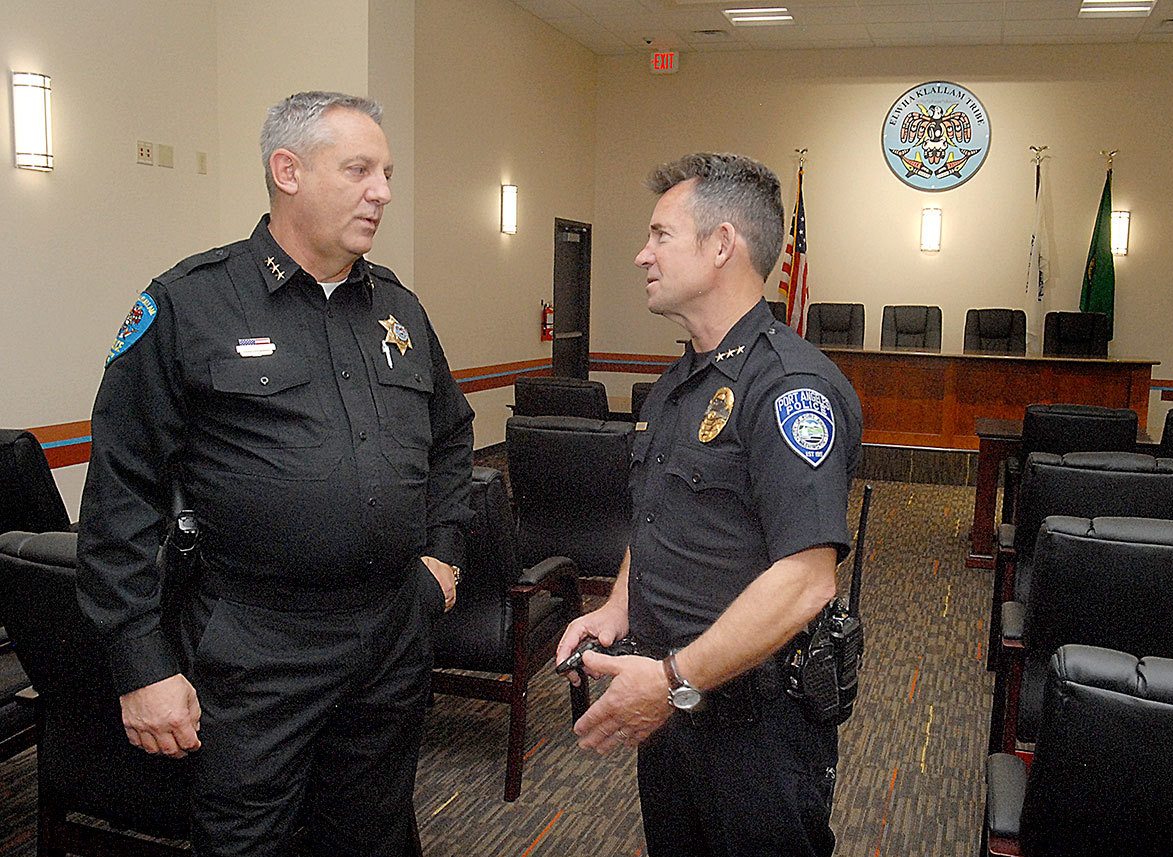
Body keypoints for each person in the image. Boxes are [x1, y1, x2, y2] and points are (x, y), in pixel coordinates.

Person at [76, 91, 474, 857]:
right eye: (359, 169)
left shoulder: (398, 307)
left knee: (375, 834)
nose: (382, 191)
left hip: (390, 630)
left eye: (386, 171)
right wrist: (140, 664)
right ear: (286, 170)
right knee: (245, 837)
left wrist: (443, 553)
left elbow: (452, 435)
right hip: (258, 641)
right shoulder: (190, 303)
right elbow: (120, 496)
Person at [555, 152, 862, 857]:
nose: (641, 254)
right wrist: (618, 607)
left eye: (661, 235)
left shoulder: (788, 388)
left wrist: (672, 679)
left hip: (757, 721)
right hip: (671, 697)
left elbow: (808, 579)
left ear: (721, 244)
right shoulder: (678, 384)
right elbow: (660, 515)